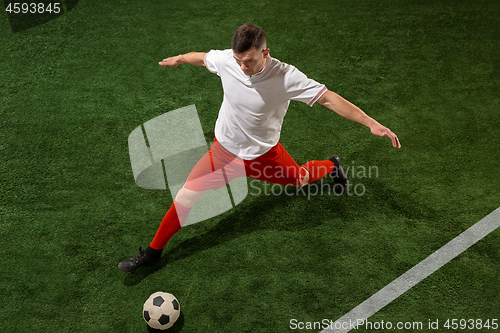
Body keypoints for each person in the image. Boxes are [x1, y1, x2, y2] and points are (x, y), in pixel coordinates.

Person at [118, 24, 401, 272]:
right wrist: (180, 58)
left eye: (249, 61)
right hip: (223, 152)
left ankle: (331, 166)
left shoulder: (287, 77)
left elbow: (328, 99)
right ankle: (153, 253)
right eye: (239, 60)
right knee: (186, 197)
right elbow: (204, 59)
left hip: (264, 156)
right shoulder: (229, 60)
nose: (243, 67)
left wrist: (369, 122)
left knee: (300, 180)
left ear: (265, 53)